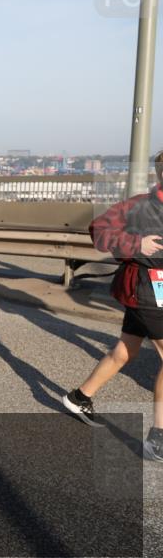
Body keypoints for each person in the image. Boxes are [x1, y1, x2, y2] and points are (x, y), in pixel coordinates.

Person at [62, 150, 163, 461]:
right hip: (145, 289)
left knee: (125, 350)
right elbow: (99, 230)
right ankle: (158, 439)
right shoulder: (138, 206)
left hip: (156, 291)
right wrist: (137, 244)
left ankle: (79, 398)